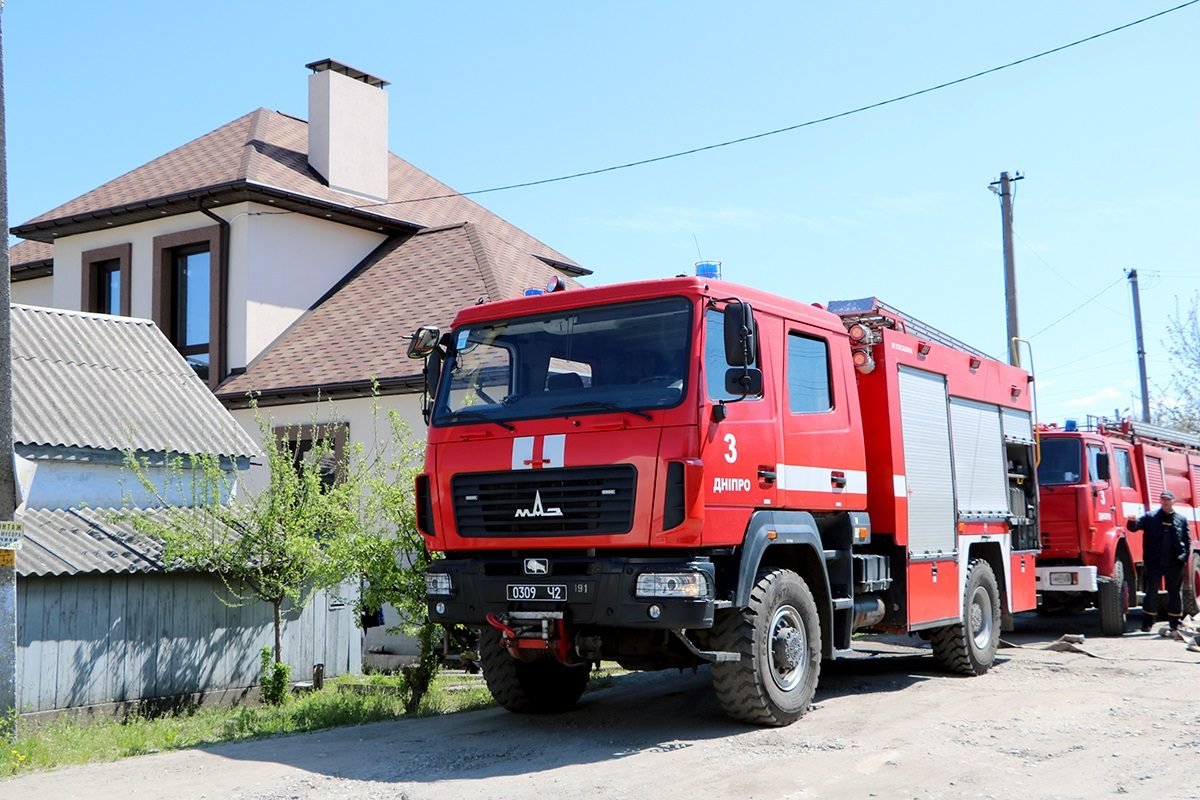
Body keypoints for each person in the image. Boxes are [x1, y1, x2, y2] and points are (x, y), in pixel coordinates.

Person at [1127, 491, 1190, 633]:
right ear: (1160, 502)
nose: (1165, 502)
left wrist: (1184, 558)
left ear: (1173, 502)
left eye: (1168, 500)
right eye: (1163, 500)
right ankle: (1147, 623)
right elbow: (1134, 527)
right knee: (1151, 592)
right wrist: (1131, 521)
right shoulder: (1150, 517)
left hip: (1174, 563)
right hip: (1154, 562)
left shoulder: (1181, 519)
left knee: (1174, 592)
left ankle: (1174, 623)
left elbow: (1187, 541)